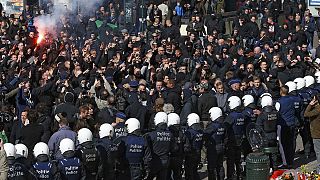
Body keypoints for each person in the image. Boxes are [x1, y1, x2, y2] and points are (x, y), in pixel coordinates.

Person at [145, 112, 175, 180]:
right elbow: (174, 148)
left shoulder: (151, 135)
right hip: (165, 161)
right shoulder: (170, 134)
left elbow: (147, 149)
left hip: (154, 161)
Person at [276, 86, 297, 169]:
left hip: (283, 125)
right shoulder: (293, 99)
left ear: (281, 91)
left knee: (283, 144)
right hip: (292, 123)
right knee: (290, 143)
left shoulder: (279, 102)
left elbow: (277, 114)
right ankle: (290, 161)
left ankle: (285, 163)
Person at [224, 96, 245, 179]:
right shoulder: (242, 115)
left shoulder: (231, 116)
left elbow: (225, 126)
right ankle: (239, 175)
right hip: (239, 139)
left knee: (231, 160)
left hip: (232, 140)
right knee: (238, 159)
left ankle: (230, 176)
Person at [256, 95, 278, 168]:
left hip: (264, 136)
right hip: (274, 135)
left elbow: (258, 127)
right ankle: (275, 168)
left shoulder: (262, 115)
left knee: (266, 154)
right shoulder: (276, 113)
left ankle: (268, 169)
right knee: (274, 153)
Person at [167, 113, 189, 180]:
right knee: (177, 175)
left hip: (170, 156)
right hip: (179, 157)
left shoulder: (168, 132)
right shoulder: (182, 132)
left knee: (167, 175)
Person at [205, 107, 226, 180]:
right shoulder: (223, 124)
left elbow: (205, 135)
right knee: (220, 165)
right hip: (221, 146)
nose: (210, 117)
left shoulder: (213, 126)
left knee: (211, 167)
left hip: (213, 148)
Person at [184, 113, 204, 180]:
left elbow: (187, 146)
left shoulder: (190, 132)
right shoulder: (201, 131)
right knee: (194, 170)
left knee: (189, 172)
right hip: (198, 153)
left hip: (190, 155)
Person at [304, 95, 320, 172]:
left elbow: (306, 114)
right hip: (317, 133)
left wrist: (310, 105)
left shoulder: (317, 110)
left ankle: (319, 169)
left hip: (317, 134)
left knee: (318, 152)